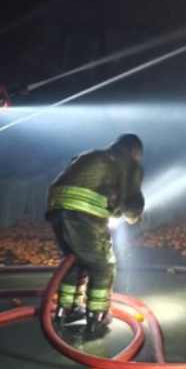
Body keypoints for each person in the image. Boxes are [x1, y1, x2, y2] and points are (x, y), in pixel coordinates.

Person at [46, 134, 144, 340]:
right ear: (135, 152)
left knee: (74, 261)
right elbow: (132, 201)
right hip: (84, 213)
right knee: (102, 264)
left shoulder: (91, 155)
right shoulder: (130, 163)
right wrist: (134, 217)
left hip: (57, 207)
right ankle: (97, 318)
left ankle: (66, 310)